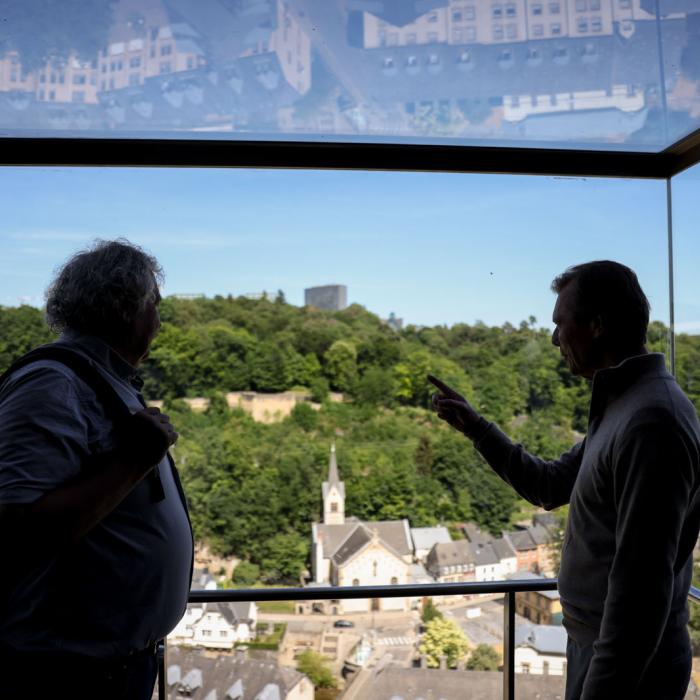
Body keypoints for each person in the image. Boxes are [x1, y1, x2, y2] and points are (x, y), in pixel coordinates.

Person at [430, 260, 700, 700]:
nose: (555, 338)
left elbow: (641, 592)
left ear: (596, 325)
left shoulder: (651, 421)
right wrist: (478, 428)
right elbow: (549, 485)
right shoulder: (624, 406)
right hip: (601, 652)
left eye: (560, 323)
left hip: (628, 669)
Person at [0, 239, 194, 700]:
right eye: (155, 306)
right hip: (66, 675)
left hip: (106, 666)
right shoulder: (53, 383)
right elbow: (17, 529)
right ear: (126, 307)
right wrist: (135, 458)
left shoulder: (95, 380)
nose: (159, 321)